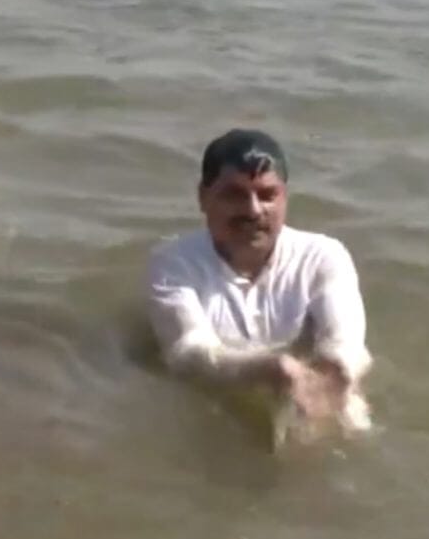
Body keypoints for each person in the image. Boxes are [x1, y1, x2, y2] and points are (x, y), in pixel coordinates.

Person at [146, 128, 373, 445]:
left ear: (284, 198)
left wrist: (334, 370)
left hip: (309, 384)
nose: (253, 210)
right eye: (234, 195)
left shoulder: (323, 256)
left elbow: (346, 341)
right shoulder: (174, 262)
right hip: (221, 395)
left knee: (353, 426)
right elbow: (187, 354)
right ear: (203, 197)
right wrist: (265, 370)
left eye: (267, 195)